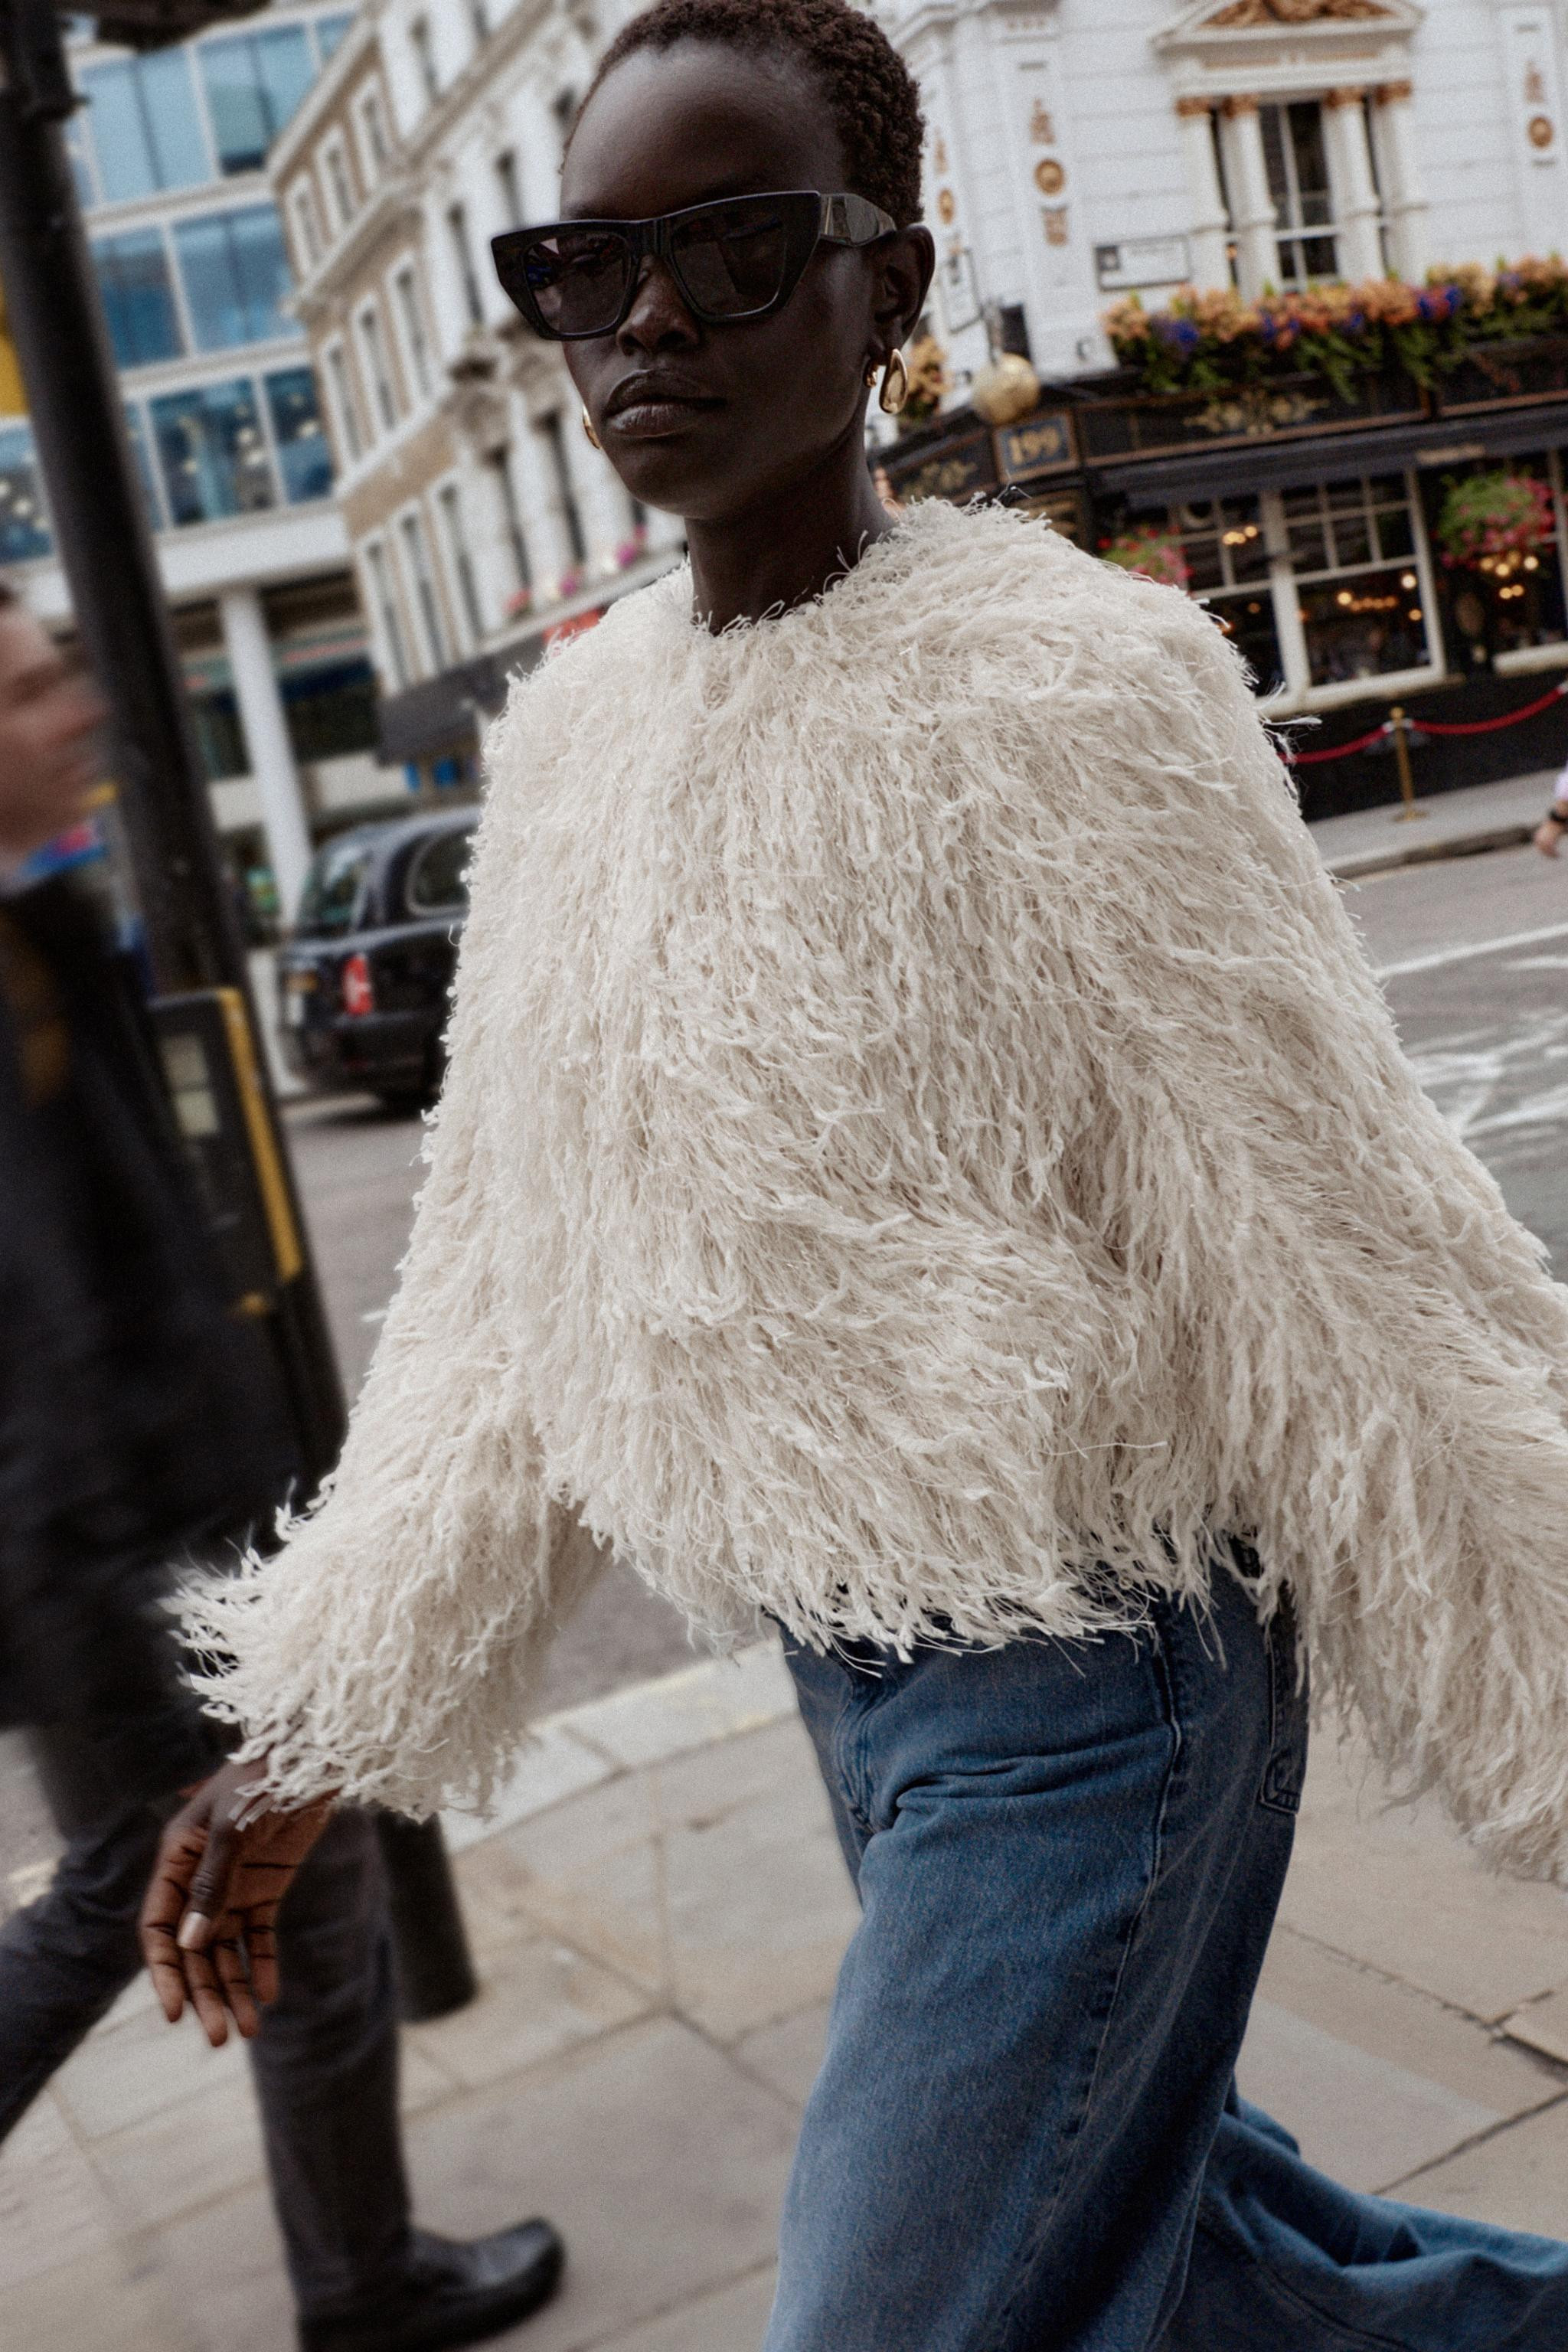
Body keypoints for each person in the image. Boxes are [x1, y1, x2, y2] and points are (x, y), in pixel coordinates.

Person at [142, 5, 1568, 2345]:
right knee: (1208, 2290)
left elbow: (1344, 1248)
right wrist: (321, 1723)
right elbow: (507, 1288)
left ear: (885, 283)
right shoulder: (575, 744)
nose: (647, 321)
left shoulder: (1078, 691)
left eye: (729, 249)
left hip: (1096, 1680)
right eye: (582, 267)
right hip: (850, 1670)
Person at [0, 580, 564, 2352]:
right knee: (251, 1898)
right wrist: (157, 1658)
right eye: (26, 693)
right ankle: (361, 2287)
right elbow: (50, 1372)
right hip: (133, 1586)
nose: (76, 709)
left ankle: (360, 2277)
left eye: (59, 672)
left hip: (158, 1561)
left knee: (221, 1901)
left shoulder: (46, 921)